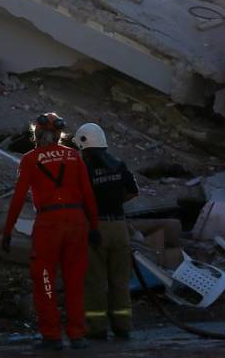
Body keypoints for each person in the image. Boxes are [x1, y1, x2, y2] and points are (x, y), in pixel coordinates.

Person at [2, 112, 100, 351]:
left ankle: (52, 335)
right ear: (59, 135)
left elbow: (17, 199)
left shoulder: (29, 159)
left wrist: (7, 230)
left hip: (49, 224)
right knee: (74, 281)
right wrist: (94, 227)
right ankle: (77, 335)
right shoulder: (75, 157)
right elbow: (89, 195)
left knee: (44, 278)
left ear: (36, 134)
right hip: (76, 222)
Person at [74, 123, 138, 342]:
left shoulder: (83, 169)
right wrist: (114, 202)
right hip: (120, 228)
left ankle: (97, 328)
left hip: (95, 228)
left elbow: (77, 200)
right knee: (120, 281)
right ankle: (123, 326)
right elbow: (133, 191)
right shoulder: (119, 166)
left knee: (94, 282)